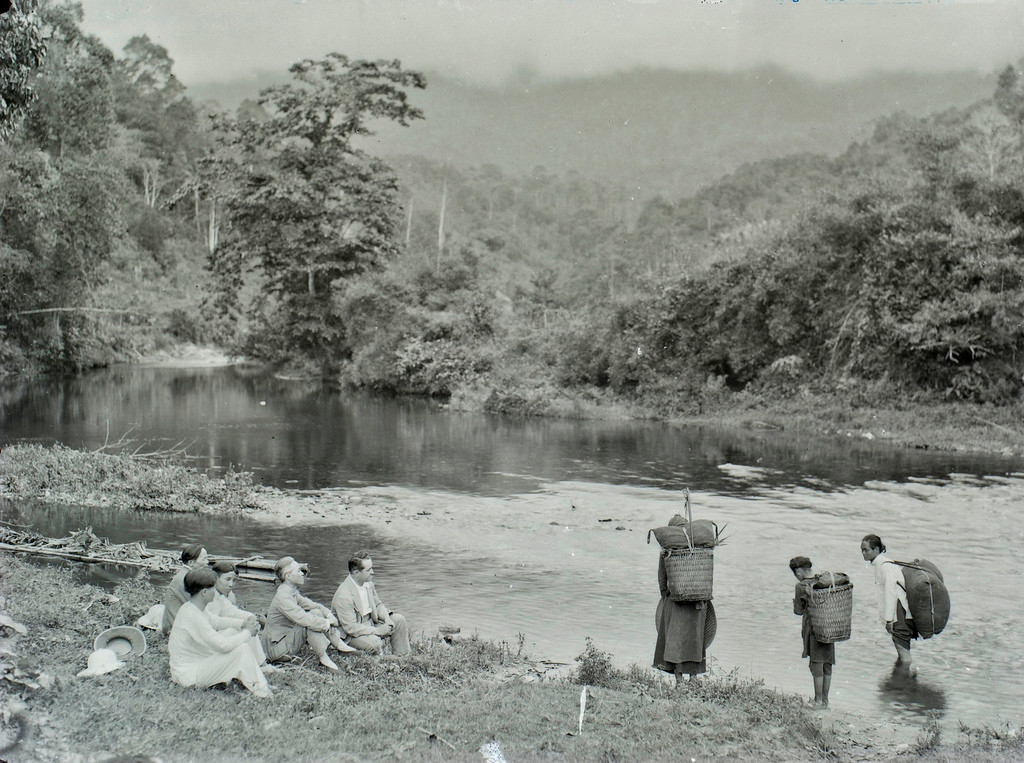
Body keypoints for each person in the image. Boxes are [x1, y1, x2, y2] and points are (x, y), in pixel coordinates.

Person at [167, 567, 271, 699]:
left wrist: (243, 624)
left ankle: (255, 677)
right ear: (204, 592)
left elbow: (215, 621)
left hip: (198, 662)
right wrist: (248, 633)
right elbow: (222, 645)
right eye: (213, 588)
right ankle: (262, 691)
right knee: (242, 648)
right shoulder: (193, 615)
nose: (215, 592)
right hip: (189, 675)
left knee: (235, 631)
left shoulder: (192, 607)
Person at [262, 556, 355, 671]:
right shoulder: (283, 597)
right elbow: (303, 619)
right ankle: (324, 659)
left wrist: (329, 616)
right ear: (288, 576)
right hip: (276, 650)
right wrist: (327, 623)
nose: (302, 573)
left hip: (286, 640)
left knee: (315, 612)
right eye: (298, 571)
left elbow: (315, 606)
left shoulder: (291, 592)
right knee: (306, 623)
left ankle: (339, 645)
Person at [653, 515, 714, 681]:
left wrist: (666, 597)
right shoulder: (702, 551)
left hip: (675, 601)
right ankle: (694, 678)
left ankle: (679, 679)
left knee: (675, 640)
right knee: (695, 640)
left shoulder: (668, 551)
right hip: (698, 602)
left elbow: (662, 579)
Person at [332, 551, 411, 657]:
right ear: (356, 573)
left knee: (399, 620)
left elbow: (378, 604)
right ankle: (374, 660)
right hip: (351, 635)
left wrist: (387, 619)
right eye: (369, 570)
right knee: (374, 643)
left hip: (369, 623)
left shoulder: (368, 584)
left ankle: (402, 657)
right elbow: (351, 628)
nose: (373, 572)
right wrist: (378, 631)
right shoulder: (344, 596)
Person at [861, 534, 918, 673]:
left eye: (866, 550)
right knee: (901, 647)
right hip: (899, 611)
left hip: (899, 612)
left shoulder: (885, 566)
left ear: (876, 549)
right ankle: (904, 682)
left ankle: (903, 685)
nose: (863, 553)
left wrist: (889, 619)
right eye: (861, 550)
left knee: (903, 651)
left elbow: (890, 592)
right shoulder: (883, 564)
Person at [208, 561, 277, 674]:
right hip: (208, 642)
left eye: (233, 580)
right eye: (227, 579)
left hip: (214, 638)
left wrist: (250, 617)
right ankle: (261, 665)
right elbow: (213, 623)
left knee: (247, 625)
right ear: (215, 579)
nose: (231, 584)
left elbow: (232, 611)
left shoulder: (219, 597)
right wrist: (243, 624)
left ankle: (261, 664)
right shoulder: (208, 596)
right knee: (240, 629)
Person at [789, 556, 836, 707]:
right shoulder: (822, 582)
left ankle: (818, 700)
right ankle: (825, 701)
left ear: (798, 571)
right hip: (829, 627)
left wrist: (796, 603)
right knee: (827, 664)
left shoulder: (801, 586)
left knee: (816, 664)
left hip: (814, 628)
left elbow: (798, 611)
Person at [162, 544, 208, 634]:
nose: (207, 562)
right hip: (174, 629)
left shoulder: (187, 575)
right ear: (191, 563)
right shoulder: (184, 579)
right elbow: (198, 607)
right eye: (204, 559)